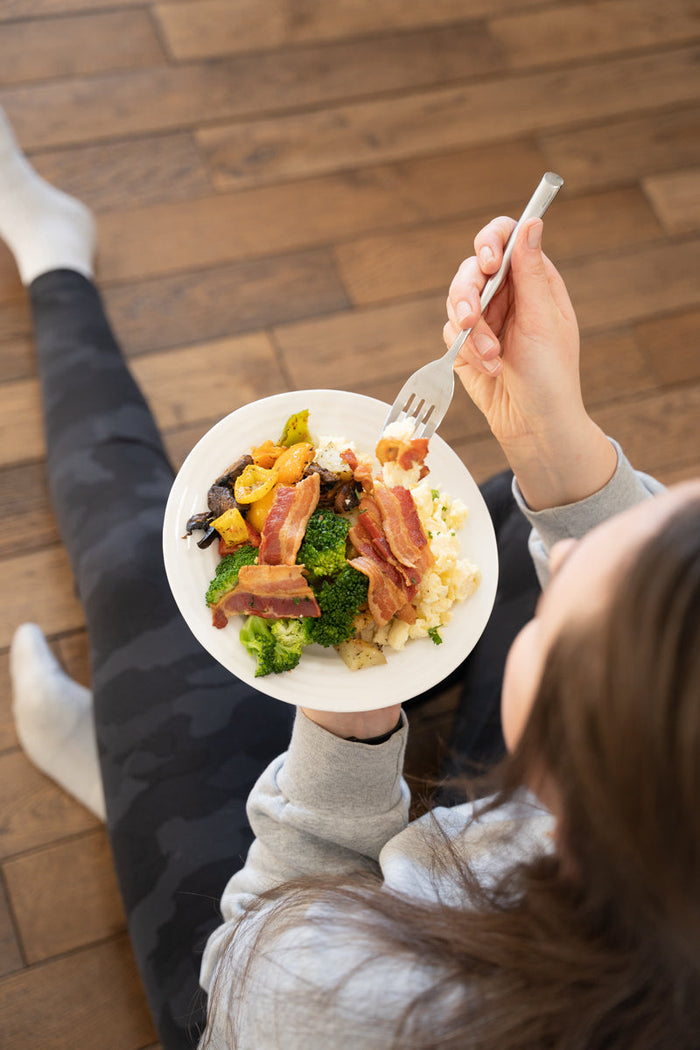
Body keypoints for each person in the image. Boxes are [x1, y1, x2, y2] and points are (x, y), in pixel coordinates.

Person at [3, 104, 698, 1049]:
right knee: (508, 507)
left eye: (575, 621)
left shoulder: (347, 1015)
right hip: (486, 850)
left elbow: (254, 969)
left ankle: (54, 259)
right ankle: (150, 783)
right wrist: (553, 437)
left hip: (263, 957)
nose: (568, 552)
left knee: (133, 573)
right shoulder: (658, 849)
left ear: (595, 778)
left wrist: (350, 712)